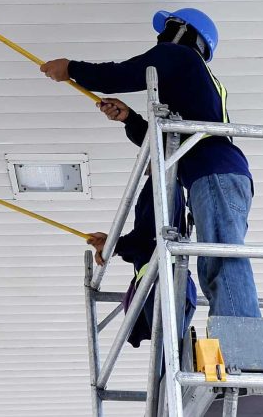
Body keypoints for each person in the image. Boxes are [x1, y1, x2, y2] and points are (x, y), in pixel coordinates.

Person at [41, 8, 261, 318]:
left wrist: (72, 69)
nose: (162, 36)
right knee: (216, 258)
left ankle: (242, 338)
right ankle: (238, 336)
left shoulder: (180, 56)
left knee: (220, 258)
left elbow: (126, 73)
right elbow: (170, 141)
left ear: (186, 33)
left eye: (170, 27)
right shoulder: (195, 85)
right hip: (217, 171)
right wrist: (129, 119)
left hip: (213, 171)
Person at [87, 98, 196, 347]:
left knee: (167, 359)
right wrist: (115, 245)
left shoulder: (161, 189)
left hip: (160, 285)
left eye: (145, 153)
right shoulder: (166, 189)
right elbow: (148, 239)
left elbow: (148, 239)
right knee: (168, 358)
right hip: (163, 285)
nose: (141, 158)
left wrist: (116, 245)